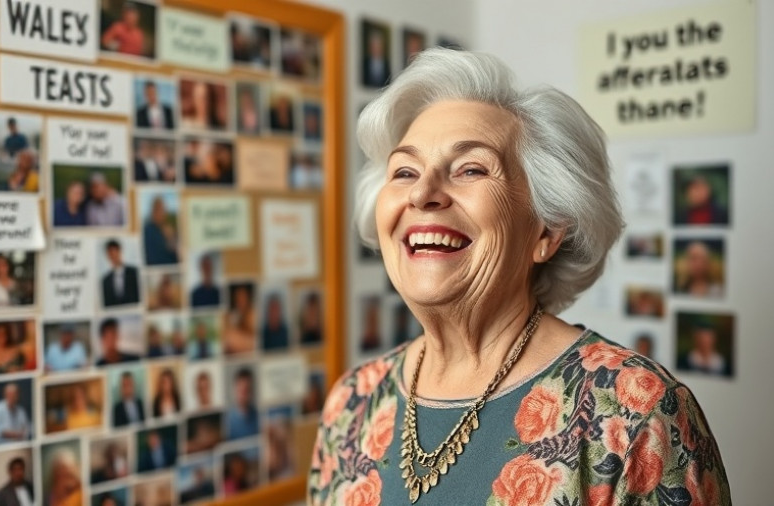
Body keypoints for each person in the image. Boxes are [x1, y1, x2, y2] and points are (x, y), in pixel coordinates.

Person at [308, 48, 730, 505]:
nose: (422, 193)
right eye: (404, 171)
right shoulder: (350, 403)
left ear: (546, 230)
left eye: (471, 168)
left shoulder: (639, 413)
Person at [101, 239, 140, 306]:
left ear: (120, 252)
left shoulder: (134, 273)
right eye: (110, 254)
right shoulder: (105, 281)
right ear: (107, 256)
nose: (113, 256)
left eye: (115, 252)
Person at [224, 368, 258, 440]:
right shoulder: (227, 420)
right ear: (235, 388)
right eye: (241, 390)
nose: (243, 395)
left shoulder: (258, 417)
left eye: (247, 390)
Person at [143, 197, 179, 265]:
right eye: (161, 210)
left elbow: (176, 254)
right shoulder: (148, 231)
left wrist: (171, 238)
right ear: (154, 212)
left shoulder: (167, 228)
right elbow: (154, 259)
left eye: (164, 210)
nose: (163, 213)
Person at [223, 284, 256, 354]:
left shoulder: (253, 314)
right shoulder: (233, 315)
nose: (240, 301)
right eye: (238, 299)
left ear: (248, 299)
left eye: (243, 298)